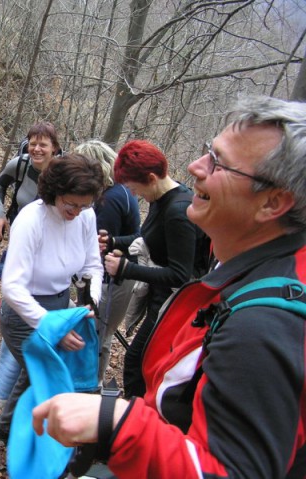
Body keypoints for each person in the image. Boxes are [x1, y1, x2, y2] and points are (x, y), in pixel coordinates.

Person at [32, 96, 306, 478]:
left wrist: (118, 423)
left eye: (219, 163)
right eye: (207, 152)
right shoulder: (251, 272)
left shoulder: (264, 326)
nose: (196, 166)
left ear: (272, 203)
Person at [0, 152, 105, 442]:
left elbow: (92, 265)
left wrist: (90, 301)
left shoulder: (85, 216)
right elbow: (13, 287)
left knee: (35, 372)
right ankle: (25, 435)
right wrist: (51, 328)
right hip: (23, 313)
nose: (77, 211)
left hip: (60, 305)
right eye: (71, 203)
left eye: (84, 205)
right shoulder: (32, 220)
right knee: (46, 370)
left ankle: (6, 428)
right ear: (55, 192)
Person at [101, 140, 198, 398]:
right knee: (139, 360)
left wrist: (124, 269)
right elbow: (148, 238)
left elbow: (179, 274)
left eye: (135, 188)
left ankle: (138, 419)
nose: (134, 194)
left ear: (152, 178)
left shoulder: (178, 211)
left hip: (173, 303)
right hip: (159, 297)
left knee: (137, 361)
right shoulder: (161, 199)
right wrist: (112, 241)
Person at [0, 122, 62, 409]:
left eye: (43, 144)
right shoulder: (19, 165)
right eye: (32, 142)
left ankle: (21, 390)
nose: (36, 148)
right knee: (16, 315)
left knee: (36, 319)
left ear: (54, 148)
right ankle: (4, 396)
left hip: (50, 254)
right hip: (21, 249)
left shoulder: (62, 173)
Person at [73, 140, 140, 384]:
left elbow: (97, 251)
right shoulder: (121, 192)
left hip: (110, 282)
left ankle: (90, 385)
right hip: (120, 280)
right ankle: (93, 384)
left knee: (97, 335)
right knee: (103, 334)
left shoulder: (108, 201)